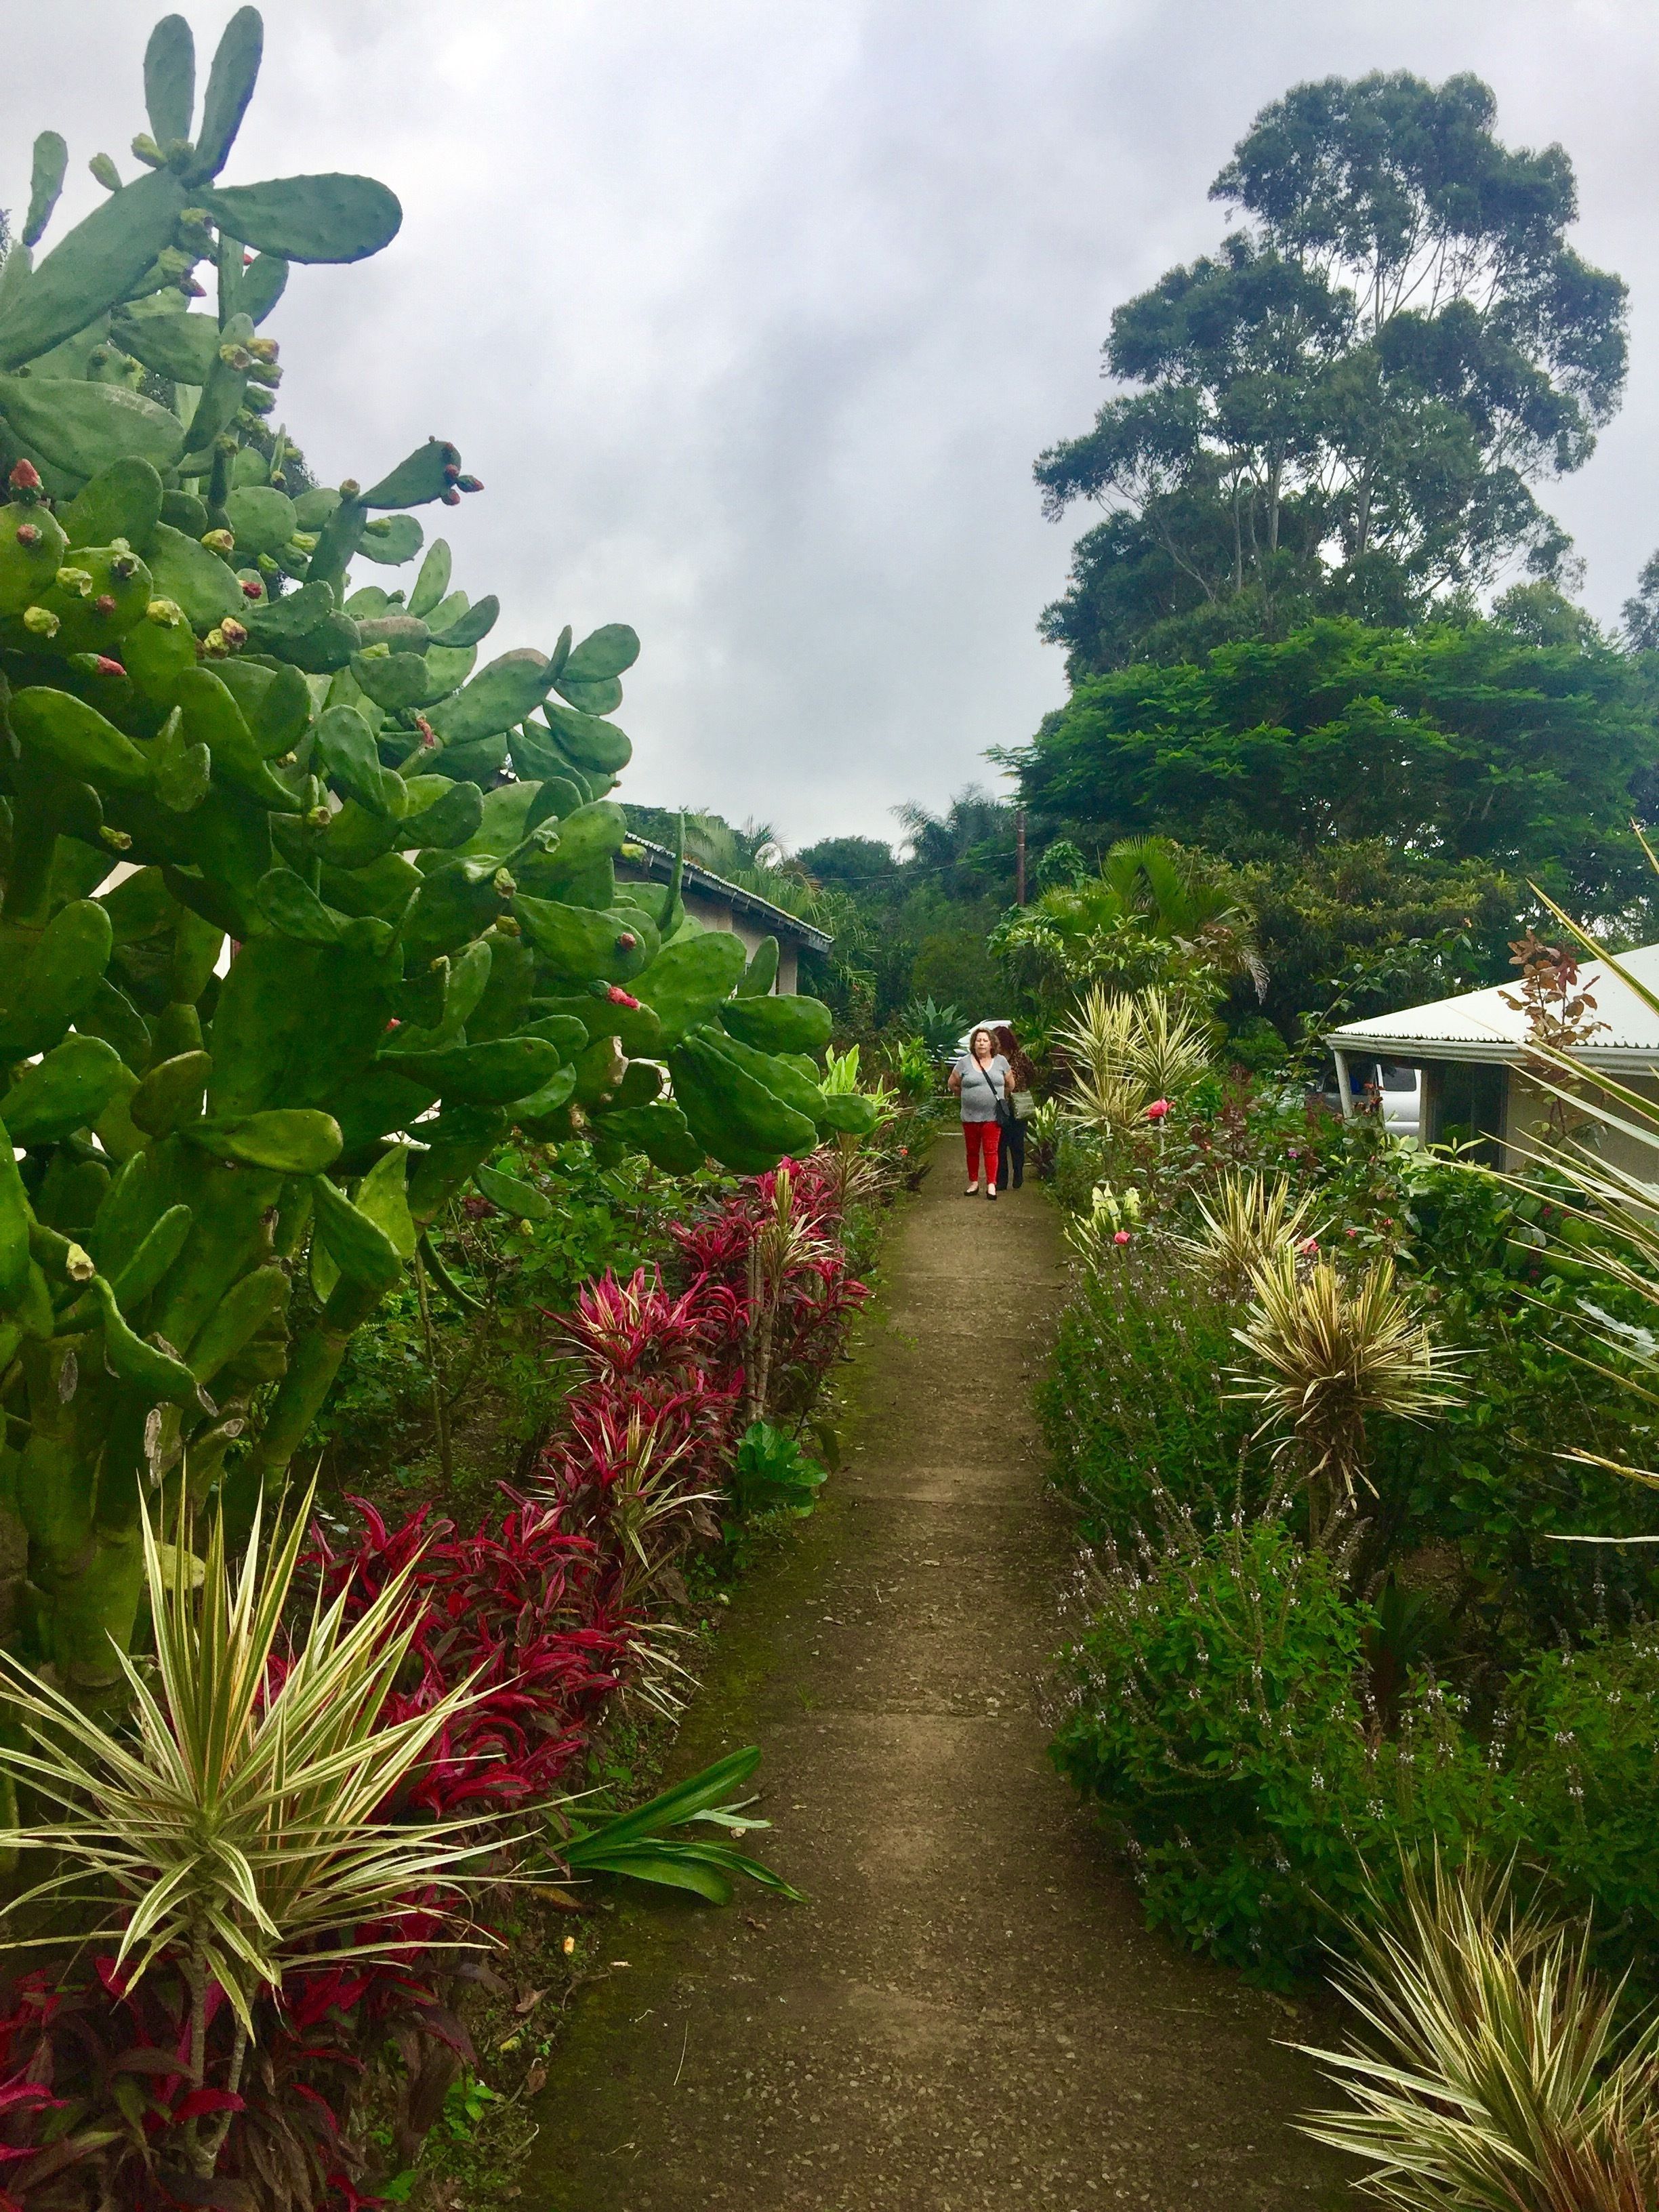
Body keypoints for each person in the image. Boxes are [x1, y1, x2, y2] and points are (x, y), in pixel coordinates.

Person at [949, 1026, 1010, 1200]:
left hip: (993, 1117)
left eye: (985, 1040)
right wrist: (966, 1095)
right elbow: (953, 1084)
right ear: (973, 1044)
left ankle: (992, 1185)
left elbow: (1010, 1084)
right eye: (978, 1040)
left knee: (992, 1151)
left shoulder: (1001, 1062)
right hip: (969, 1116)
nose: (981, 1043)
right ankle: (973, 1182)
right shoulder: (964, 1063)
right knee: (972, 1151)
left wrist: (999, 1098)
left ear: (992, 1043)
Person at [992, 1024, 1036, 1190]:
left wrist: (1023, 1089)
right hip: (1000, 1105)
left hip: (1019, 1105)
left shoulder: (1021, 1057)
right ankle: (1001, 1180)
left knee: (1017, 1144)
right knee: (1000, 1144)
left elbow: (1033, 1073)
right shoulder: (994, 1060)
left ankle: (1018, 1174)